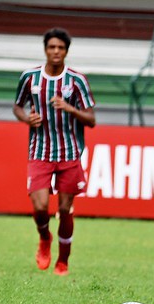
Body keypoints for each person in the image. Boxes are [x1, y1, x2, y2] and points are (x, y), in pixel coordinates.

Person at [12, 27, 96, 276]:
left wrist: (69, 109)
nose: (56, 51)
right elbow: (17, 106)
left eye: (60, 47)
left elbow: (91, 119)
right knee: (39, 207)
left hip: (69, 154)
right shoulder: (30, 77)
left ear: (66, 51)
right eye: (52, 47)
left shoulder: (77, 80)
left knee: (64, 209)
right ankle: (44, 238)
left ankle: (63, 260)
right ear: (45, 50)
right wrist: (27, 118)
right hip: (39, 152)